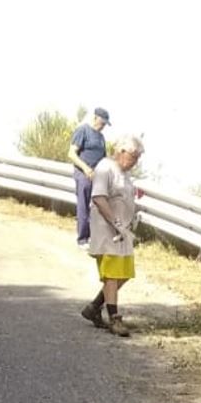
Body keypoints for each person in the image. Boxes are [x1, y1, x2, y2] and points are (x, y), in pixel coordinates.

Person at [78, 135, 145, 338]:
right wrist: (114, 223)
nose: (135, 161)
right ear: (121, 152)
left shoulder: (124, 173)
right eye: (133, 156)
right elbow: (99, 197)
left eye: (137, 158)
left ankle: (95, 307)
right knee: (112, 275)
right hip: (108, 231)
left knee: (123, 274)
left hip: (122, 231)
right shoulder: (105, 168)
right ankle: (114, 319)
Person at [67, 108, 110, 248]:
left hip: (97, 176)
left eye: (105, 124)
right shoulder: (83, 130)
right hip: (83, 173)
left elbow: (104, 158)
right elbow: (72, 154)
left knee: (96, 207)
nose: (103, 126)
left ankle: (94, 237)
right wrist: (85, 168)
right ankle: (82, 239)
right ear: (95, 118)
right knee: (83, 206)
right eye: (102, 122)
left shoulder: (101, 138)